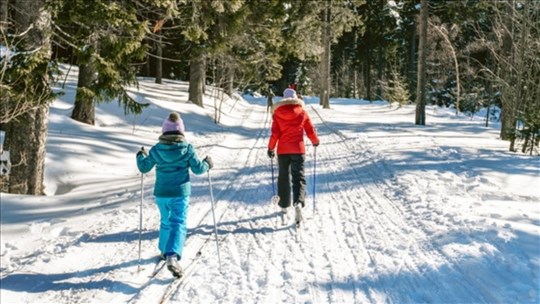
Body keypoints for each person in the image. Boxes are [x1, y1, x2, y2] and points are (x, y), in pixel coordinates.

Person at [136, 112, 213, 278]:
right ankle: (172, 255)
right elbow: (198, 169)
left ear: (164, 131)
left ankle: (164, 251)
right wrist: (207, 163)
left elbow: (144, 167)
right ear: (181, 132)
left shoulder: (157, 149)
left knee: (165, 221)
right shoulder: (187, 149)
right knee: (178, 222)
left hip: (162, 193)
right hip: (180, 193)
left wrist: (140, 155)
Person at [267, 88, 319, 225]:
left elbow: (275, 134)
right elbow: (310, 130)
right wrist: (315, 141)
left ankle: (284, 205)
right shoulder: (302, 112)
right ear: (296, 98)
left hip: (283, 151)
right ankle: (299, 203)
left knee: (283, 177)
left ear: (284, 99)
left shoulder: (278, 113)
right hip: (298, 150)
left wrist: (270, 148)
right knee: (299, 178)